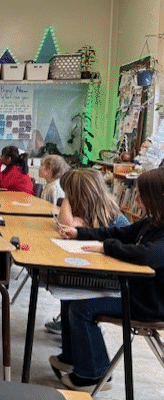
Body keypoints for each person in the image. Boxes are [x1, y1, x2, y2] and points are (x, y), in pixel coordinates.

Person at [51, 168, 164, 392]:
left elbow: (147, 255)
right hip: (137, 294)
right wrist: (80, 234)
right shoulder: (149, 222)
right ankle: (74, 358)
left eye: (142, 194)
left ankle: (93, 374)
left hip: (150, 305)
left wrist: (106, 247)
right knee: (70, 298)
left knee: (81, 310)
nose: (137, 198)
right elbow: (117, 234)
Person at [45, 168, 130, 336]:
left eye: (70, 194)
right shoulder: (88, 212)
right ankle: (69, 334)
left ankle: (78, 331)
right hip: (94, 275)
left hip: (113, 283)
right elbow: (64, 225)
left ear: (80, 196)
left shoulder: (117, 221)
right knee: (65, 285)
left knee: (68, 287)